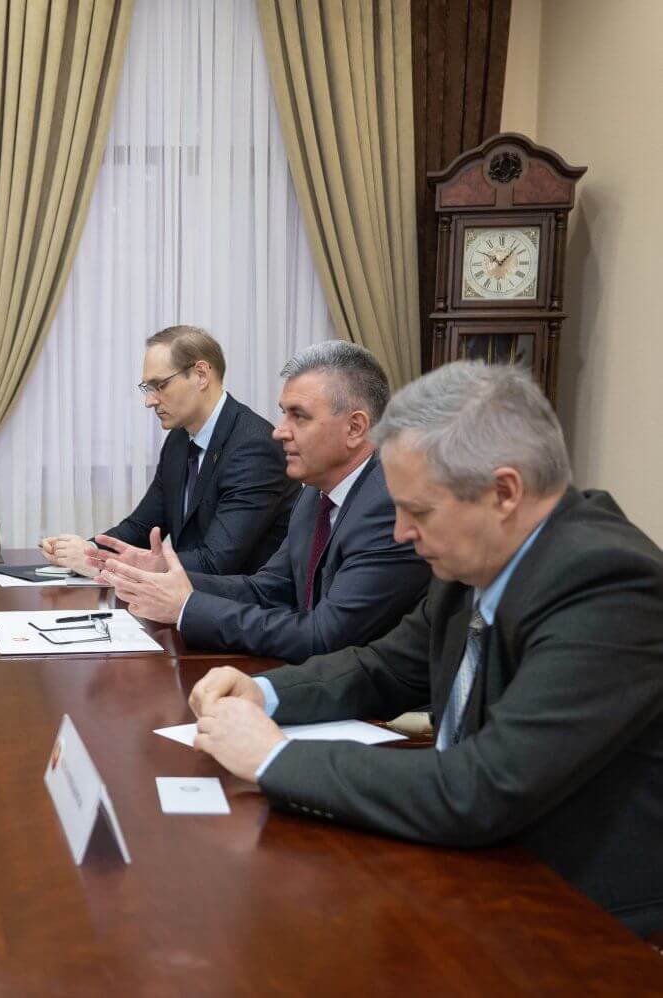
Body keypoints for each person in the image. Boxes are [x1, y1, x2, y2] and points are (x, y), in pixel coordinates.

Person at [187, 361, 663, 938]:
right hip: (478, 867)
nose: (401, 534)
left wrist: (274, 759)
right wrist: (262, 692)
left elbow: (481, 788)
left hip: (580, 918)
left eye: (419, 511)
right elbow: (384, 667)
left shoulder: (609, 585)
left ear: (504, 492)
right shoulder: (477, 555)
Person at [94, 341, 429, 662]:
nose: (279, 431)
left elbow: (324, 636)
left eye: (299, 416)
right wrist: (169, 575)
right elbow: (267, 589)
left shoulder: (390, 507)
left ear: (355, 428)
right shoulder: (314, 493)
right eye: (283, 414)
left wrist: (186, 608)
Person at [39, 325, 297, 577]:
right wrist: (88, 550)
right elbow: (142, 526)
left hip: (239, 601)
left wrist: (103, 563)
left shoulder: (254, 447)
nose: (149, 401)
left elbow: (216, 562)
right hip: (188, 597)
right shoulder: (179, 439)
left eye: (160, 385)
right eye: (148, 388)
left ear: (201, 375)